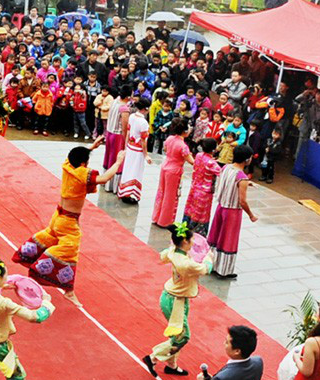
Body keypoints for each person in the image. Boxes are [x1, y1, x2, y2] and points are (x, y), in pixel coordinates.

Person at [14, 139, 125, 306]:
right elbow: (103, 179)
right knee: (69, 252)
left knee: (49, 238)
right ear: (82, 163)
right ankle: (63, 287)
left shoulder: (67, 166)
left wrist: (91, 147)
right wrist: (118, 162)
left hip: (57, 218)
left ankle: (33, 264)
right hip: (68, 223)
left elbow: (75, 158)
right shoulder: (81, 173)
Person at [141, 222, 214, 378]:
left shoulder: (174, 251)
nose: (194, 242)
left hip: (174, 298)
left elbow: (163, 256)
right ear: (185, 241)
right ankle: (154, 357)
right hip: (175, 301)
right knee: (183, 336)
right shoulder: (187, 264)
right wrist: (209, 257)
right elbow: (206, 269)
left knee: (177, 333)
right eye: (192, 239)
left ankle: (171, 365)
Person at [207, 145, 257, 278]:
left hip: (221, 207)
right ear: (247, 160)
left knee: (216, 236)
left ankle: (211, 264)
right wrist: (251, 215)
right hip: (233, 211)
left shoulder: (226, 167)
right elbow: (243, 201)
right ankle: (224, 270)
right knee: (228, 239)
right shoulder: (242, 177)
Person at [151, 118, 195, 227]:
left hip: (165, 166)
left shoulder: (170, 138)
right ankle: (165, 221)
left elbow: (165, 149)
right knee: (170, 197)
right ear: (185, 131)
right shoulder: (183, 146)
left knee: (161, 192)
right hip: (175, 171)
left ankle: (156, 217)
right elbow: (191, 161)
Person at [182, 138, 222, 235]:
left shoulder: (199, 156)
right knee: (201, 214)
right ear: (213, 149)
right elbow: (222, 173)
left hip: (194, 188)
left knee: (190, 209)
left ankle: (186, 229)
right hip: (204, 193)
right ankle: (198, 234)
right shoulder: (211, 163)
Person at [117, 99, 152, 203]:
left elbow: (128, 132)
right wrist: (146, 155)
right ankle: (131, 193)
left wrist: (126, 146)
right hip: (137, 151)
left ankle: (124, 192)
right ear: (146, 109)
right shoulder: (144, 122)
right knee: (136, 171)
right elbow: (143, 140)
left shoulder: (132, 116)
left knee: (128, 169)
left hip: (130, 147)